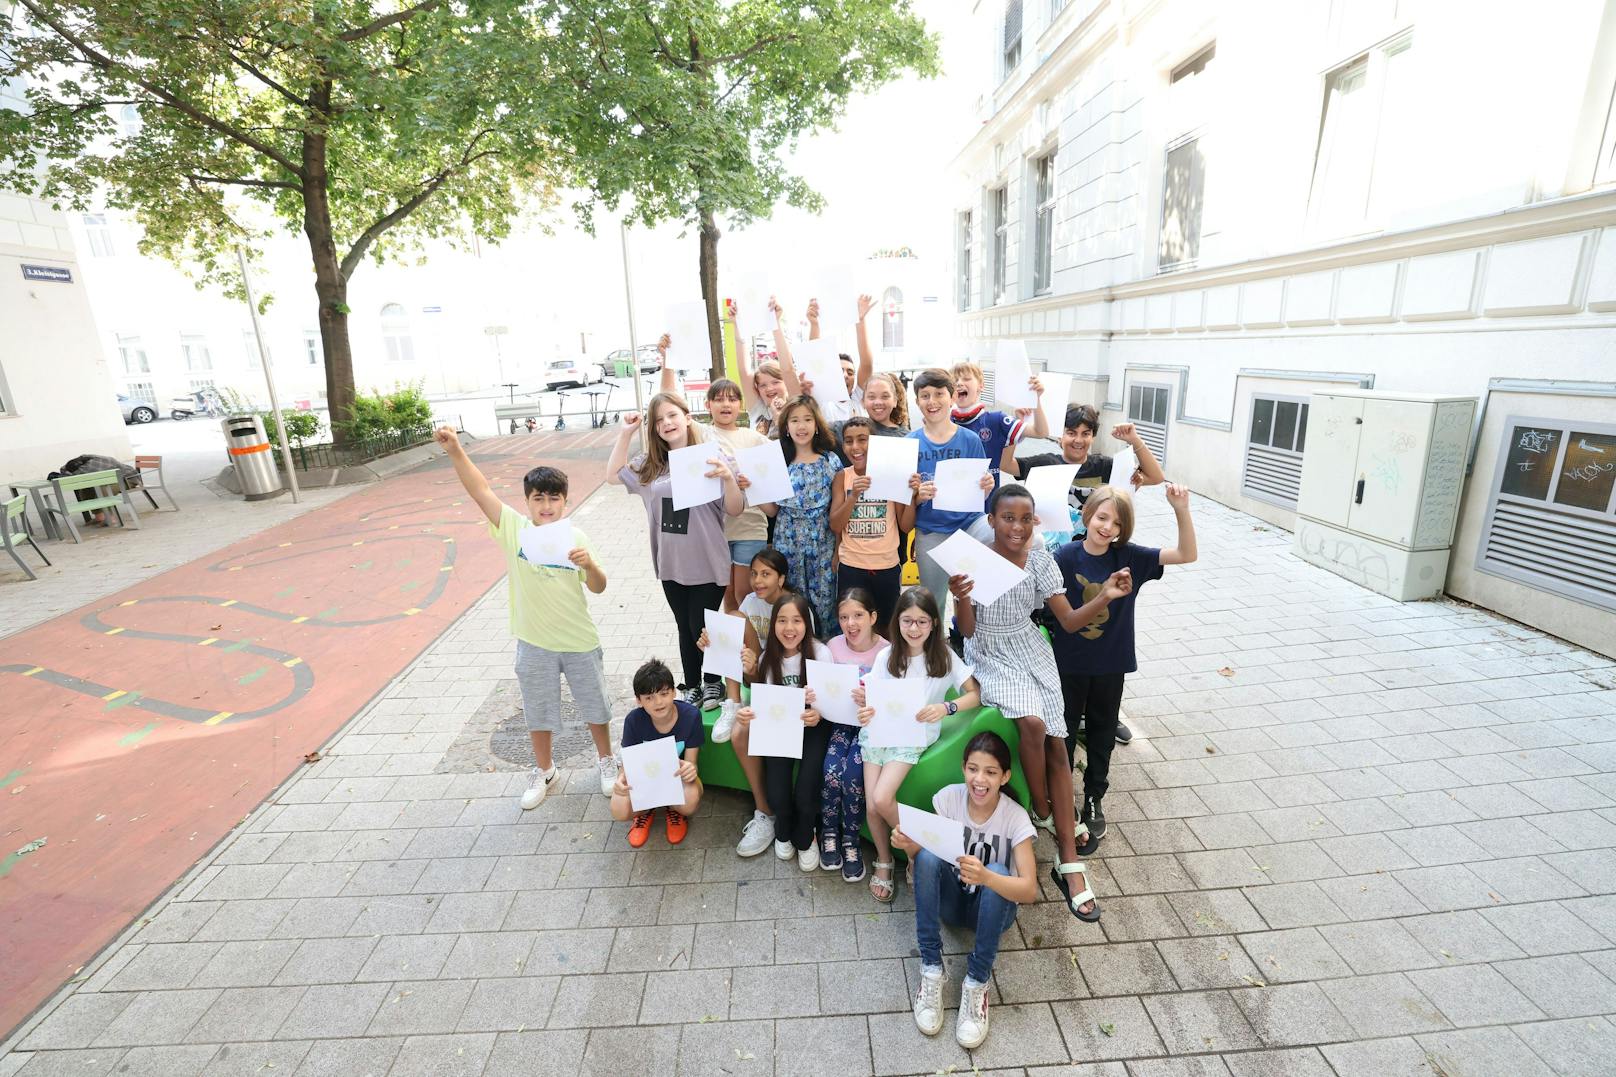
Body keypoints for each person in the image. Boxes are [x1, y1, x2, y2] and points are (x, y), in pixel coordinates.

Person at [948, 483, 1132, 923]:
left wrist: (1105, 594)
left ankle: (1067, 859)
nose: (1016, 526)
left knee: (1056, 739)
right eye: (1007, 518)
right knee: (1032, 724)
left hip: (1030, 647)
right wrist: (960, 597)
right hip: (991, 653)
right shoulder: (973, 559)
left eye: (1025, 519)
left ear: (1036, 522)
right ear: (992, 520)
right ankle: (1045, 809)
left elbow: (1067, 620)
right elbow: (969, 633)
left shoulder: (1041, 559)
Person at [433, 427, 618, 807]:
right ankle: (545, 769)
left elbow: (598, 587)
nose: (546, 505)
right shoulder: (514, 529)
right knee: (538, 710)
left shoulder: (576, 537)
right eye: (538, 498)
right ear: (528, 501)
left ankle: (606, 761)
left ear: (565, 502)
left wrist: (591, 564)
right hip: (533, 641)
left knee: (595, 705)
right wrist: (455, 452)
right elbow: (481, 491)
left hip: (579, 638)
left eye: (554, 498)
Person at [1000, 405, 1167, 745]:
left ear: (1093, 436)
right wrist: (1018, 427)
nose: (1078, 439)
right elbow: (1006, 465)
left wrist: (1134, 440)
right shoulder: (1044, 463)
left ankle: (1104, 713)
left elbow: (1155, 476)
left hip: (1098, 568)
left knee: (1101, 636)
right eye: (1071, 432)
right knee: (1057, 634)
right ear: (1060, 434)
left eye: (1085, 433)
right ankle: (1062, 707)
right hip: (1056, 566)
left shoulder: (1104, 467)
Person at [1057, 483, 1196, 854]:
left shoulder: (1129, 557)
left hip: (1110, 664)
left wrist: (1180, 508)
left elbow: (1186, 553)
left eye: (1117, 524)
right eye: (1102, 517)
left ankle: (1093, 797)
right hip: (1067, 664)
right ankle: (1062, 799)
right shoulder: (1065, 556)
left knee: (1102, 733)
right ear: (1088, 515)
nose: (1107, 528)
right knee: (1065, 733)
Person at [892, 731, 1038, 1049]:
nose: (979, 779)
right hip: (952, 902)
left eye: (990, 772)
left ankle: (977, 981)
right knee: (928, 855)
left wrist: (986, 877)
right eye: (973, 769)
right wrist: (907, 844)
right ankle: (931, 968)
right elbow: (924, 854)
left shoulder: (1014, 817)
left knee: (999, 871)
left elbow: (1029, 890)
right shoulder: (948, 798)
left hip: (992, 911)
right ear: (963, 768)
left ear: (1005, 776)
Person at [606, 393, 745, 707]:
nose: (666, 423)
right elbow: (611, 476)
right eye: (658, 420)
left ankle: (714, 683)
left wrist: (728, 479)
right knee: (684, 626)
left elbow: (735, 509)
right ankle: (693, 684)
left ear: (687, 417)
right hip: (671, 563)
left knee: (702, 626)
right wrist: (626, 433)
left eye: (671, 415)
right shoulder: (650, 464)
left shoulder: (712, 456)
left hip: (708, 560)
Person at [856, 587, 979, 904]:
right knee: (871, 805)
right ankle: (884, 860)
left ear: (934, 623)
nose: (914, 629)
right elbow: (872, 697)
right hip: (880, 732)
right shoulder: (887, 656)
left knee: (883, 798)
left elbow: (974, 694)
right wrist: (866, 707)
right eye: (907, 621)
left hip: (913, 736)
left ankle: (917, 851)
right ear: (897, 621)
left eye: (922, 622)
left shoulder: (944, 656)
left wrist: (945, 708)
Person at [698, 547, 793, 857]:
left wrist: (757, 667)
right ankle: (733, 702)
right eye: (753, 573)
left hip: (783, 687)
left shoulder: (793, 607)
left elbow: (793, 667)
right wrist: (713, 642)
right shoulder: (751, 602)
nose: (757, 580)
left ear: (782, 578)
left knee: (742, 734)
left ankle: (771, 812)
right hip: (757, 678)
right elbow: (743, 651)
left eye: (765, 574)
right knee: (733, 617)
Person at [735, 593, 832, 869]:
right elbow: (766, 706)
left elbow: (830, 702)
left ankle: (807, 836)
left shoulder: (821, 654)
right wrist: (749, 713)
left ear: (807, 623)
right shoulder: (769, 657)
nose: (789, 629)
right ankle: (783, 829)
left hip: (813, 727)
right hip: (780, 729)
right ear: (773, 625)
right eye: (782, 621)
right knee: (777, 792)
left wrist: (818, 713)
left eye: (797, 621)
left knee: (805, 790)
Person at [906, 369, 989, 618]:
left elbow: (979, 495)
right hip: (931, 531)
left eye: (939, 394)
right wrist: (918, 496)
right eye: (925, 395)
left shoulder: (971, 440)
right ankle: (936, 648)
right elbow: (905, 499)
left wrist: (986, 488)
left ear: (951, 397)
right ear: (917, 402)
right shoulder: (910, 442)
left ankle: (974, 636)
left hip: (970, 525)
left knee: (977, 589)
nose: (932, 401)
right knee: (933, 601)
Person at [756, 396, 842, 639]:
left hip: (823, 544)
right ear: (786, 426)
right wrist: (750, 488)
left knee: (825, 604)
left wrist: (838, 551)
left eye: (807, 419)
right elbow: (772, 510)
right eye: (794, 420)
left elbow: (837, 513)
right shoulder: (779, 462)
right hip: (787, 543)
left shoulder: (830, 460)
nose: (801, 426)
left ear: (817, 425)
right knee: (792, 604)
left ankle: (825, 658)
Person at [818, 588, 884, 881]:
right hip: (840, 724)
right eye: (844, 617)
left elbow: (893, 698)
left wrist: (873, 699)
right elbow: (823, 688)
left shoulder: (886, 651)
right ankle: (829, 831)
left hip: (870, 727)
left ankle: (851, 838)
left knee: (853, 775)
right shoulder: (832, 647)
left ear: (872, 617)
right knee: (831, 769)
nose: (851, 623)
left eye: (858, 615)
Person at [829, 416, 915, 630]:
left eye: (862, 439)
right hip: (851, 566)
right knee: (853, 626)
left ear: (875, 443)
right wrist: (853, 496)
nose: (855, 447)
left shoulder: (890, 474)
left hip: (886, 566)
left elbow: (905, 526)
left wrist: (912, 496)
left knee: (886, 627)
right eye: (848, 441)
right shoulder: (843, 477)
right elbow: (835, 525)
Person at [701, 375, 775, 615]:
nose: (726, 405)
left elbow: (774, 476)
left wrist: (753, 484)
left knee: (747, 595)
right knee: (729, 596)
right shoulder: (701, 436)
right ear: (707, 405)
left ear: (740, 405)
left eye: (732, 399)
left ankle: (754, 648)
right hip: (716, 528)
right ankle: (735, 648)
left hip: (750, 526)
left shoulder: (754, 438)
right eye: (719, 399)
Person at [612, 658, 704, 847]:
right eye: (649, 698)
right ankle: (646, 811)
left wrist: (690, 770)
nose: (658, 702)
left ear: (674, 692)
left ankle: (674, 810)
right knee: (619, 808)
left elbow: (692, 762)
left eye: (664, 694)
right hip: (646, 780)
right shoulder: (634, 721)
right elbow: (627, 764)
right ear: (639, 701)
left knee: (691, 800)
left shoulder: (691, 716)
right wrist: (620, 781)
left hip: (676, 778)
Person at [949, 359, 1048, 503]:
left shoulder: (996, 420)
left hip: (987, 510)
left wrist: (1036, 399)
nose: (959, 383)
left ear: (981, 386)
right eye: (954, 380)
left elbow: (1041, 432)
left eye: (966, 379)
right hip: (953, 506)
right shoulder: (944, 423)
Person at [780, 296, 874, 426]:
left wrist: (860, 320)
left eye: (850, 372)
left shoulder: (859, 400)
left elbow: (866, 364)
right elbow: (814, 359)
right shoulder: (822, 402)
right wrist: (814, 324)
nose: (845, 375)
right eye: (840, 370)